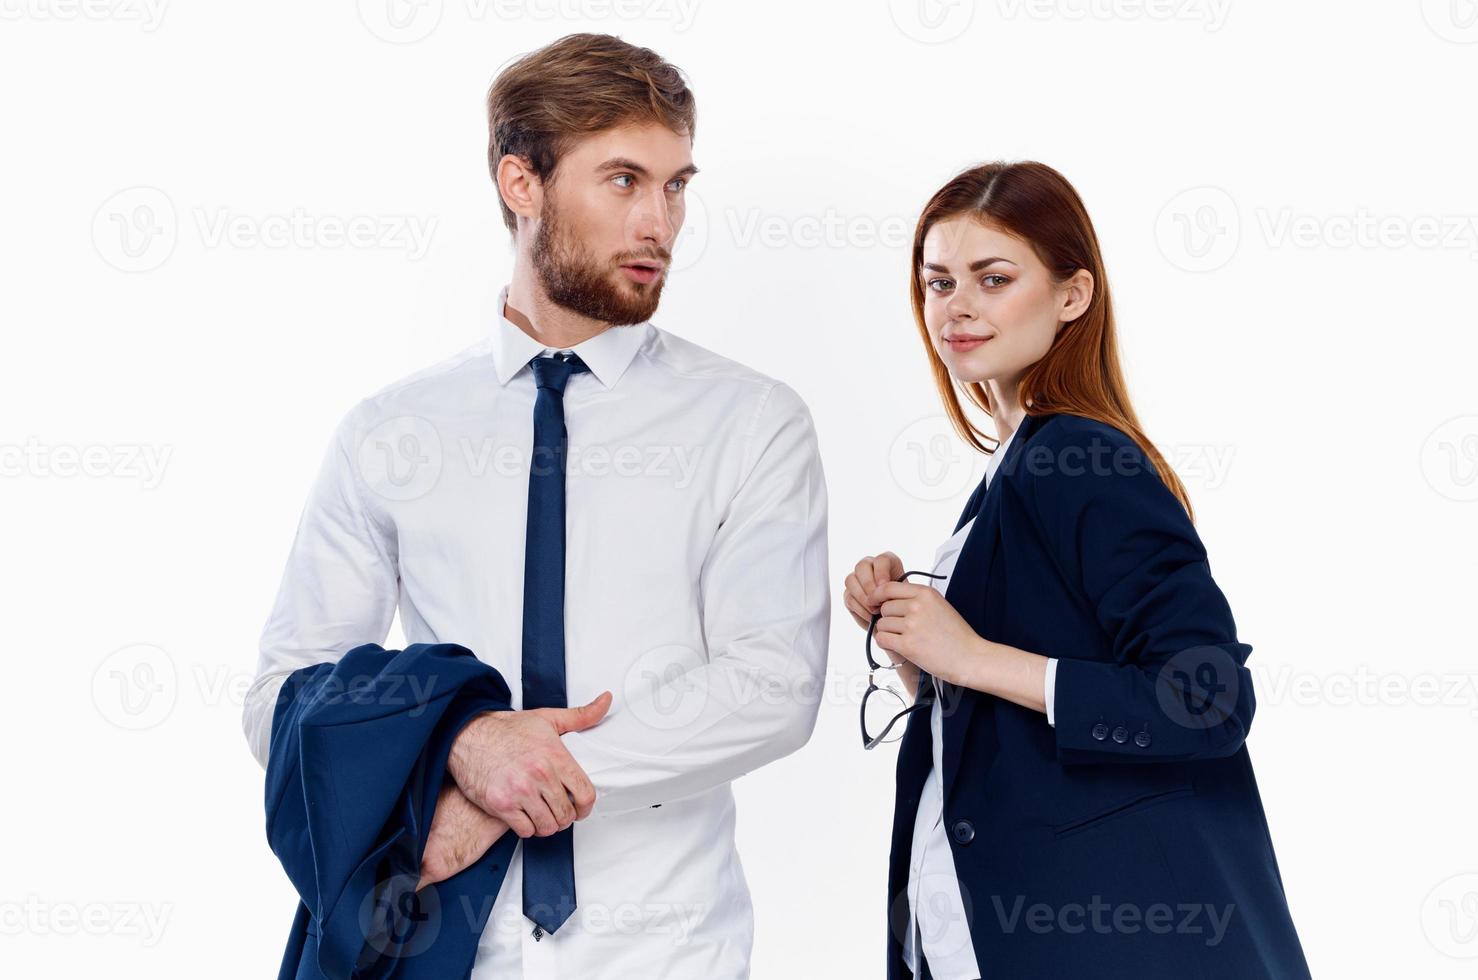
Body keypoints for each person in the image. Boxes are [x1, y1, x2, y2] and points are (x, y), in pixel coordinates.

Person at [243, 33, 829, 979]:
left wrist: (506, 788)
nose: (660, 223)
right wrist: (464, 745)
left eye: (678, 185)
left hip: (668, 951)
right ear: (523, 184)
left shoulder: (752, 422)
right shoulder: (390, 431)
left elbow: (774, 688)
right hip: (438, 942)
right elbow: (283, 695)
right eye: (624, 181)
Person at [844, 161, 1310, 979]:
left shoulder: (1080, 455)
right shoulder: (1009, 475)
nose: (956, 306)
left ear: (1073, 294)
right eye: (938, 281)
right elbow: (1018, 719)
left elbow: (1207, 701)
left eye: (994, 278)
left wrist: (971, 656)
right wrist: (922, 658)